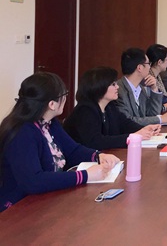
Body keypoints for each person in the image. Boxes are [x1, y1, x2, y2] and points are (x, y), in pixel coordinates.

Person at [0, 72, 120, 212]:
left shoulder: (50, 122)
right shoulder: (22, 132)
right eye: (64, 95)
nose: (66, 99)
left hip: (46, 198)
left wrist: (98, 156)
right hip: (18, 207)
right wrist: (85, 175)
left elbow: (72, 150)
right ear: (52, 104)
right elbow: (33, 181)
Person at [64, 67, 160, 149]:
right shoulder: (85, 110)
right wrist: (132, 137)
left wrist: (145, 129)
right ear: (99, 87)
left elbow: (124, 124)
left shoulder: (110, 106)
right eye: (113, 84)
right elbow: (95, 141)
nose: (117, 87)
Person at [114, 47, 167, 125]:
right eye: (148, 64)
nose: (150, 67)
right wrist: (161, 119)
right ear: (139, 68)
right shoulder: (118, 90)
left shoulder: (141, 88)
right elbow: (128, 121)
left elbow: (152, 114)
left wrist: (154, 89)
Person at [146, 44, 167, 114]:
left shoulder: (157, 76)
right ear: (159, 62)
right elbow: (148, 109)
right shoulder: (148, 79)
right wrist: (166, 106)